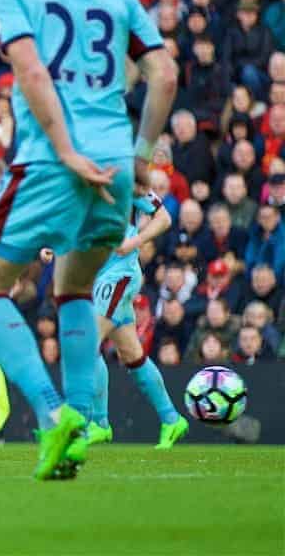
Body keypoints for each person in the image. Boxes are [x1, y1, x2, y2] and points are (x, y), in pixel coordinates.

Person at [0, 0, 178, 480]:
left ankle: (55, 415)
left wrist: (63, 148)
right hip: (117, 166)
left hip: (52, 161)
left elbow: (29, 69)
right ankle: (78, 427)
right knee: (75, 291)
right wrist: (141, 151)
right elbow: (164, 74)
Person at [82, 191, 189, 449]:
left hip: (119, 273)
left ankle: (98, 423)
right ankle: (171, 419)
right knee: (131, 352)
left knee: (87, 343)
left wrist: (135, 242)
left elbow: (163, 218)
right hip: (98, 274)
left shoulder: (129, 179)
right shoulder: (81, 176)